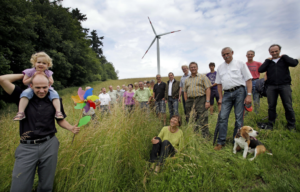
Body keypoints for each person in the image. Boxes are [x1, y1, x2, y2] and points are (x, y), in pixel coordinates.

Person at [0, 73, 80, 192]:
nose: (42, 91)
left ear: (49, 85)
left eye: (45, 87)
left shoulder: (54, 99)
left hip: (50, 145)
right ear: (31, 85)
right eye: (38, 87)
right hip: (27, 147)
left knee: (46, 186)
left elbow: (60, 119)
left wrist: (70, 128)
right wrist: (27, 73)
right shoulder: (22, 96)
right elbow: (2, 79)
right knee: (19, 187)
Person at [214, 47, 253, 150]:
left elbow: (248, 79)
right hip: (226, 94)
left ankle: (238, 142)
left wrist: (248, 94)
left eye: (227, 53)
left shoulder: (240, 63)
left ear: (232, 53)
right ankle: (221, 142)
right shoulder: (220, 67)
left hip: (239, 91)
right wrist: (220, 98)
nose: (226, 56)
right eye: (223, 55)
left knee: (238, 118)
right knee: (222, 117)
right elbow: (218, 84)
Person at [258, 44, 298, 131]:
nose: (274, 53)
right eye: (272, 51)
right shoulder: (269, 62)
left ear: (279, 51)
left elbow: (294, 63)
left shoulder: (284, 59)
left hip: (284, 85)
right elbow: (260, 70)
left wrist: (285, 57)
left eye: (276, 51)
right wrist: (267, 61)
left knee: (288, 106)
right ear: (269, 52)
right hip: (271, 87)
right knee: (271, 106)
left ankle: (291, 125)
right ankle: (270, 124)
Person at [13, 52, 64, 121]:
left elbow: (51, 82)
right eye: (38, 62)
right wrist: (32, 77)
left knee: (55, 94)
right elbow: (24, 82)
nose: (41, 64)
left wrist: (46, 76)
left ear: (48, 65)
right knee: (25, 94)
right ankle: (21, 112)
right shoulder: (30, 71)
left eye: (44, 63)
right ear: (34, 63)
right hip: (32, 88)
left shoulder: (48, 72)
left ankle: (58, 112)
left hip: (47, 88)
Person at [184, 62, 212, 137]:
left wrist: (207, 101)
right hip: (190, 100)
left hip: (201, 99)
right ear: (189, 69)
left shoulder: (203, 77)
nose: (193, 68)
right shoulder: (187, 80)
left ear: (197, 68)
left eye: (194, 67)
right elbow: (185, 91)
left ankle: (205, 137)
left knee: (203, 117)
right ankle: (194, 135)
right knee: (191, 118)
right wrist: (186, 101)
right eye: (191, 67)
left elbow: (208, 89)